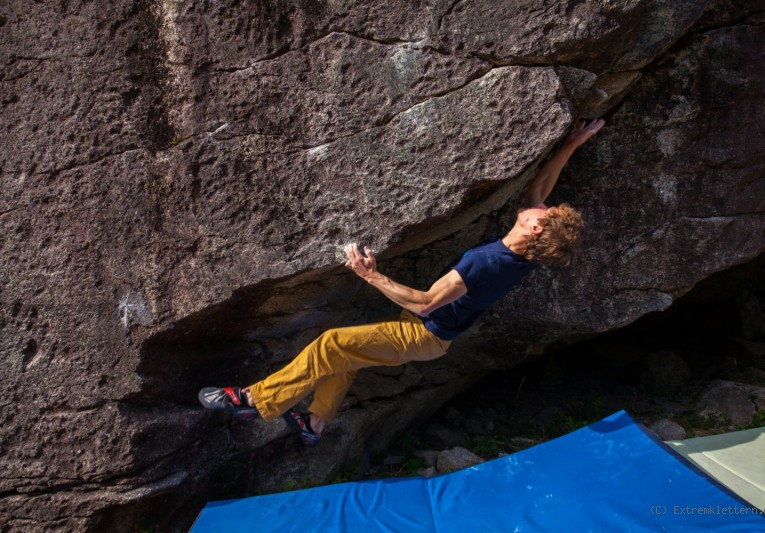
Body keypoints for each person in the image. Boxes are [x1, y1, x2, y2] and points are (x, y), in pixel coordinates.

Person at [199, 119, 605, 446]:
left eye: (545, 215)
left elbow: (426, 302)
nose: (543, 207)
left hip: (423, 333)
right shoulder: (526, 254)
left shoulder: (487, 263)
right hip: (432, 336)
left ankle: (256, 400)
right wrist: (571, 145)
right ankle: (315, 423)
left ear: (535, 230)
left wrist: (369, 274)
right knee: (346, 355)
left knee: (332, 344)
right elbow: (538, 189)